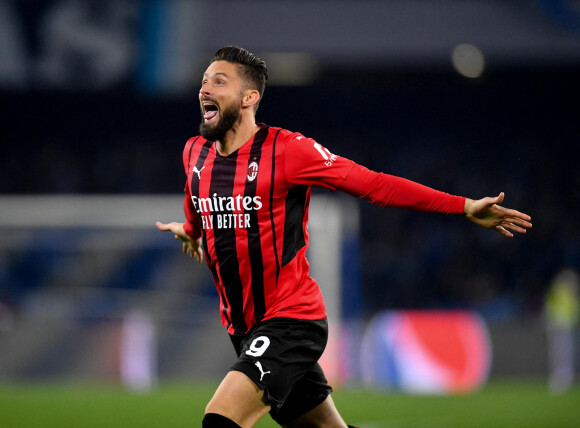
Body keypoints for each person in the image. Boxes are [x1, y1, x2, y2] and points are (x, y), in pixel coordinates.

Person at [156, 46, 532, 428]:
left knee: (220, 420)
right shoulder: (194, 153)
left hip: (291, 321)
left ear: (249, 97)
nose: (205, 88)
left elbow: (374, 185)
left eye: (219, 81)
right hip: (243, 329)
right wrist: (190, 230)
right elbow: (196, 199)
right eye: (204, 81)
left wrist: (463, 205)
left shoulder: (289, 151)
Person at [545, 268, 579, 394]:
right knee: (559, 353)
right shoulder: (559, 292)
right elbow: (550, 308)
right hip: (558, 327)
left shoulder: (569, 294)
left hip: (567, 327)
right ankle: (561, 377)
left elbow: (573, 310)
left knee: (566, 353)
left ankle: (565, 378)